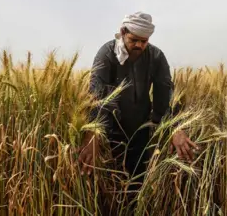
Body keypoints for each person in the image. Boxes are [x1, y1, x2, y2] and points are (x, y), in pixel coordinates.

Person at [78, 12, 198, 212]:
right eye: (134, 40)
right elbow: (96, 97)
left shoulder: (156, 57)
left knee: (136, 187)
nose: (139, 46)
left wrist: (174, 128)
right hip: (110, 134)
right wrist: (92, 136)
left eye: (144, 41)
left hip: (141, 133)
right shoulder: (106, 54)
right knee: (109, 189)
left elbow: (165, 96)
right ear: (123, 32)